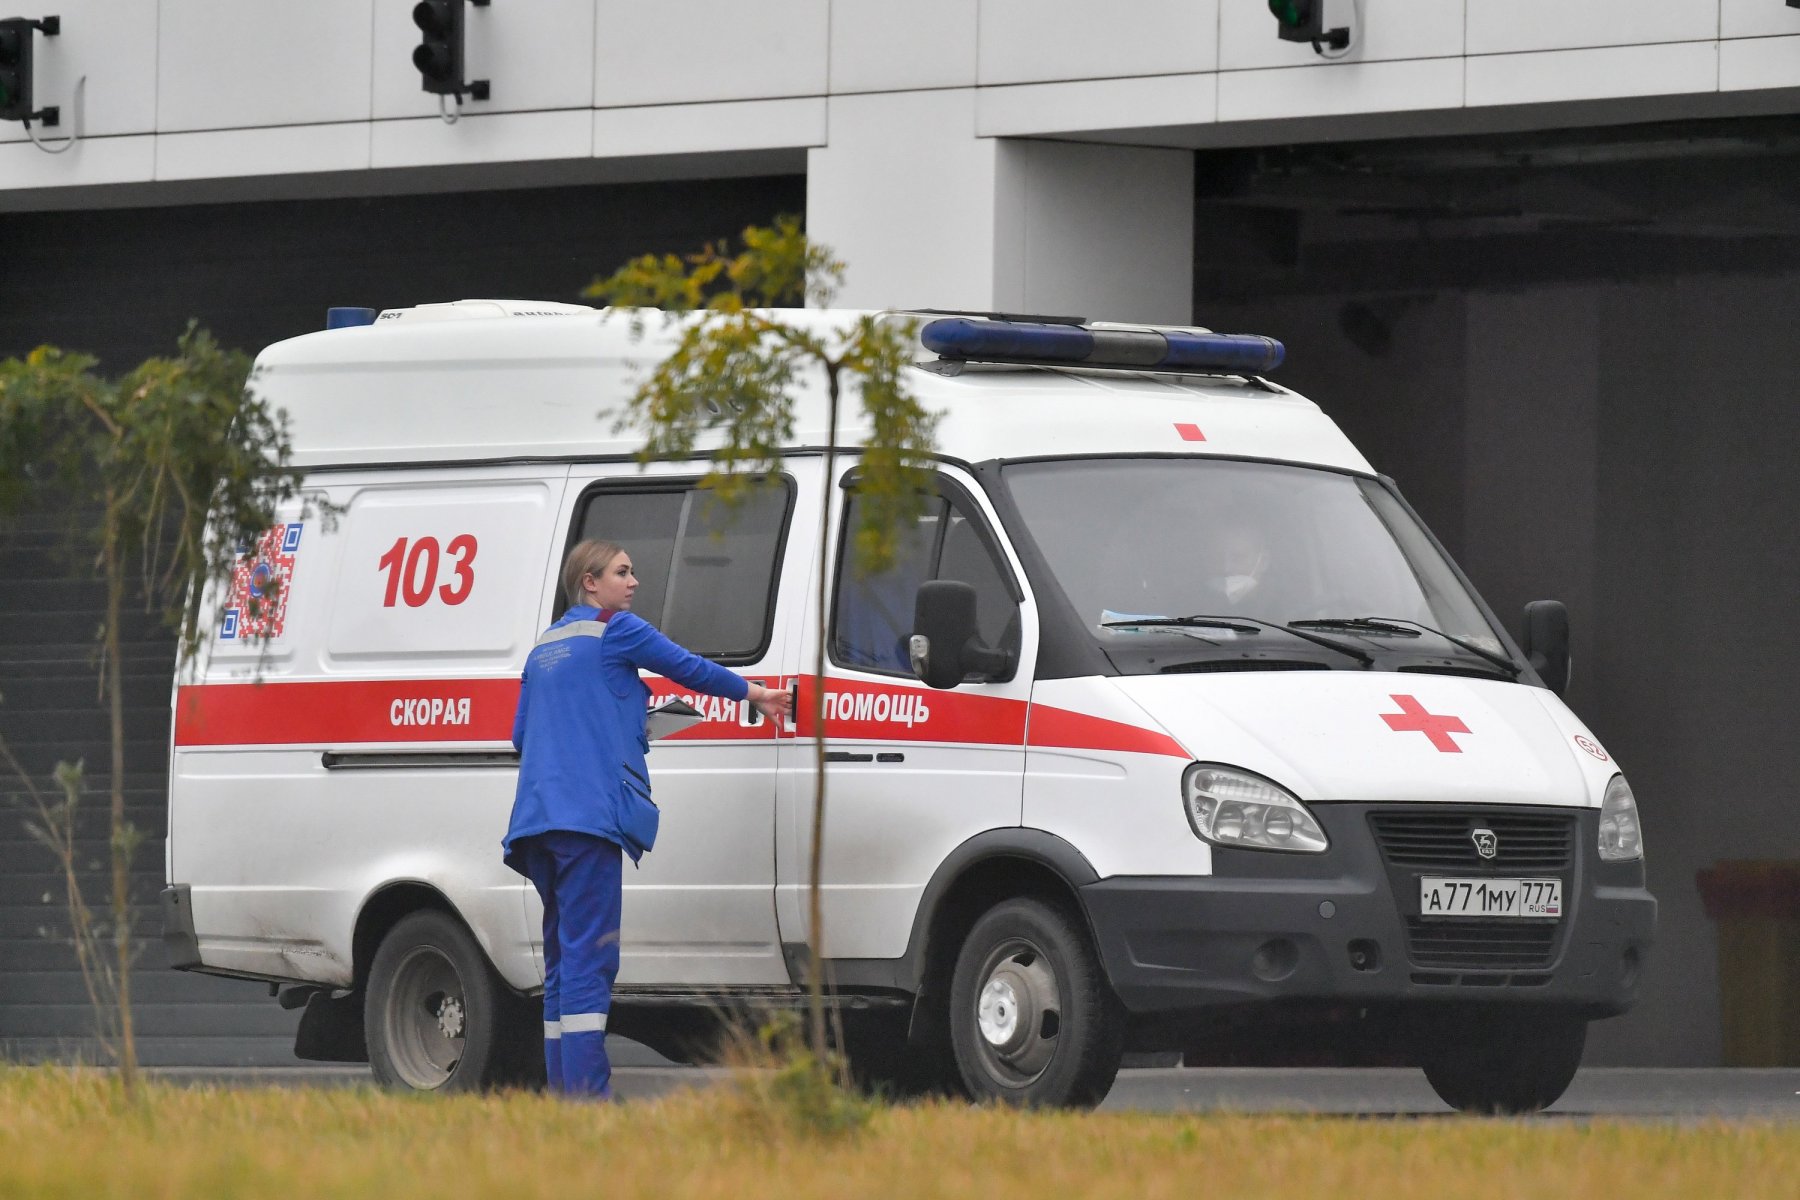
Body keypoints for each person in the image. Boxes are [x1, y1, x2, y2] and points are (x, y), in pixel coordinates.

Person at [503, 538, 791, 1099]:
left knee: (562, 962)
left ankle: (565, 1097)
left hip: (536, 826)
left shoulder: (544, 648)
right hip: (587, 822)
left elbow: (521, 736)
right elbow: (685, 667)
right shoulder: (615, 628)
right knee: (591, 959)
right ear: (590, 581)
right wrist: (755, 693)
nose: (634, 583)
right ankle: (589, 1102)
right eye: (622, 572)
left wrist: (611, 720)